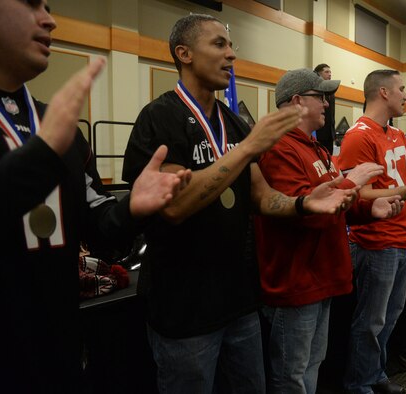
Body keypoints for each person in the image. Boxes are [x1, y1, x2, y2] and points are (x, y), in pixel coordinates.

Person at [122, 15, 356, 393]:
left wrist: (304, 203)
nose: (231, 54)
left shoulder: (233, 123)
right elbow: (176, 205)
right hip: (185, 305)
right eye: (218, 45)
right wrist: (248, 148)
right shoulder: (159, 118)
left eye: (231, 46)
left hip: (238, 299)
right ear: (184, 53)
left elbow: (262, 195)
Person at [0, 1, 191, 392]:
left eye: (48, 6)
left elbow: (98, 227)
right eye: (30, 3)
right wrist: (38, 158)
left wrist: (132, 207)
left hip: (57, 350)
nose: (49, 19)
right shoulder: (52, 134)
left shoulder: (56, 125)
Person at [256, 68, 404, 394]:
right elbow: (304, 212)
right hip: (296, 283)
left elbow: (336, 206)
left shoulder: (315, 149)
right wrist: (353, 183)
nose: (326, 104)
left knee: (311, 366)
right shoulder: (279, 148)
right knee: (291, 375)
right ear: (296, 101)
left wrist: (367, 210)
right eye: (320, 97)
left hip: (320, 277)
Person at [338, 70, 406, 393]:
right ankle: (358, 383)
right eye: (402, 89)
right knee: (371, 321)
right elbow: (358, 194)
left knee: (389, 318)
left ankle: (375, 374)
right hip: (377, 243)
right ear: (383, 92)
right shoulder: (359, 135)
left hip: (404, 238)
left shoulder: (398, 135)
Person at [313, 63, 336, 154]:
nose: (330, 74)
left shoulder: (332, 92)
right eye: (326, 72)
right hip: (319, 133)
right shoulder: (315, 90)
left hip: (330, 134)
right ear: (318, 74)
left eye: (330, 72)